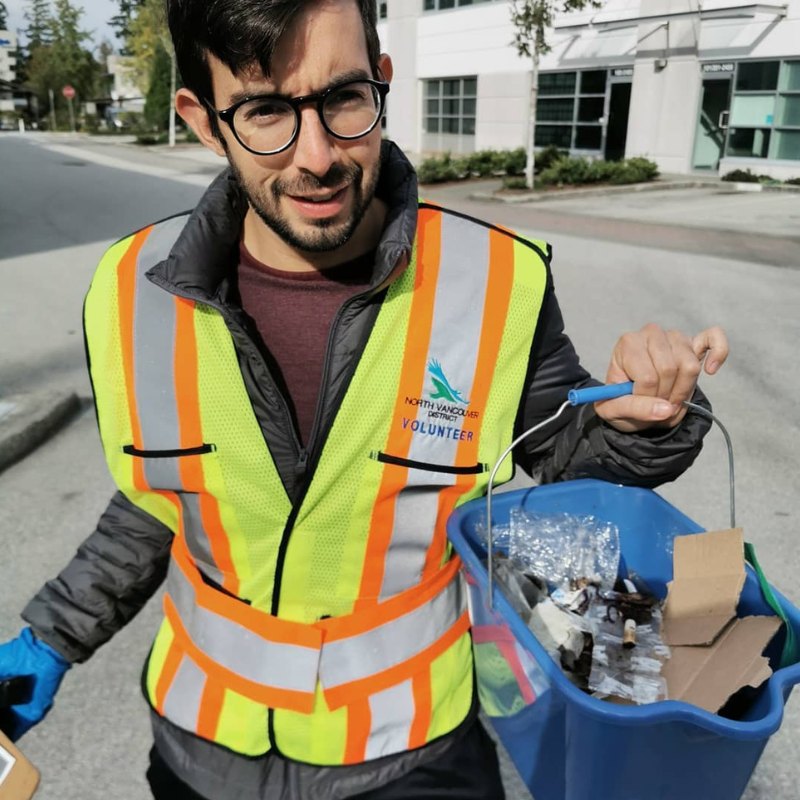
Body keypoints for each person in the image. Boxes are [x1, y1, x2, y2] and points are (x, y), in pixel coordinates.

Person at [0, 1, 728, 798]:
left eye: (343, 99)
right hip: (197, 749)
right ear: (203, 121)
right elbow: (161, 499)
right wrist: (49, 638)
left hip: (412, 752)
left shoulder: (491, 281)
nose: (317, 156)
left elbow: (567, 451)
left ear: (381, 82)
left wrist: (645, 416)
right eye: (266, 110)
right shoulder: (130, 291)